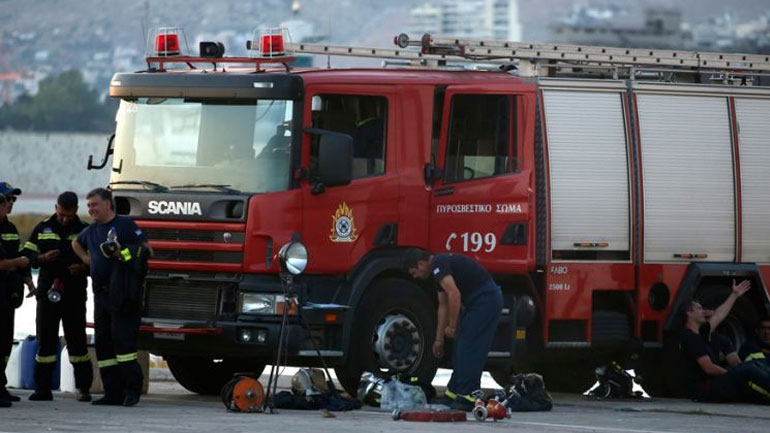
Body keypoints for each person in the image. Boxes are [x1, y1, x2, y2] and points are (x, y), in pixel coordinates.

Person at [72, 187, 151, 407]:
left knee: (123, 343)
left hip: (124, 294)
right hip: (101, 294)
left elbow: (146, 250)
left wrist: (121, 253)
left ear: (108, 204)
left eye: (95, 205)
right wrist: (88, 260)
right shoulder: (92, 230)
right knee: (104, 344)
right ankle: (112, 392)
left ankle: (132, 390)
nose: (91, 209)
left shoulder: (125, 225)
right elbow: (75, 243)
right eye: (89, 206)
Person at [403, 248, 503, 411]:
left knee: (469, 347)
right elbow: (443, 306)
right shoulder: (437, 273)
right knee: (459, 347)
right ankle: (453, 393)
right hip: (477, 303)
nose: (416, 277)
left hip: (486, 300)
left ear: (421, 264)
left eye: (414, 272)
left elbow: (454, 295)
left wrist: (452, 325)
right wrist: (439, 340)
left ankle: (468, 395)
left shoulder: (438, 264)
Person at [22, 192, 93, 402]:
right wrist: (41, 258)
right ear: (55, 208)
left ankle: (83, 388)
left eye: (69, 215)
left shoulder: (85, 229)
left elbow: (96, 262)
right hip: (47, 292)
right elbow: (26, 255)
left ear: (76, 212)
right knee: (45, 340)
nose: (64, 219)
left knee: (77, 341)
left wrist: (82, 268)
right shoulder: (42, 228)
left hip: (74, 293)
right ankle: (42, 389)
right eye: (61, 214)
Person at [679, 279, 770, 404]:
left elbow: (718, 316)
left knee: (753, 365)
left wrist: (734, 295)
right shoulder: (691, 338)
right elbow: (709, 368)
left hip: (714, 385)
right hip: (705, 390)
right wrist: (734, 373)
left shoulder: (701, 334)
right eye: (699, 308)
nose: (703, 312)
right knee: (747, 370)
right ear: (689, 313)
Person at [0, 182, 34, 405]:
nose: (12, 204)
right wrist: (17, 262)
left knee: (4, 342)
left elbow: (18, 258)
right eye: (8, 200)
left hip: (7, 293)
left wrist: (29, 280)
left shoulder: (11, 229)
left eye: (14, 200)